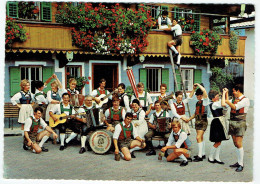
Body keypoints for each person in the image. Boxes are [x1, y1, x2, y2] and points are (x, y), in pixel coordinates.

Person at [224, 84, 250, 172]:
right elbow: (225, 104)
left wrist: (227, 101)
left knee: (239, 143)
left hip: (240, 123)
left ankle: (241, 164)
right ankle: (239, 162)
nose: (233, 93)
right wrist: (225, 93)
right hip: (232, 122)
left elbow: (235, 107)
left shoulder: (245, 100)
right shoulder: (234, 99)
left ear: (238, 90)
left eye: (234, 91)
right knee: (235, 143)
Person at [187, 83, 209, 162]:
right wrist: (189, 119)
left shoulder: (205, 101)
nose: (197, 97)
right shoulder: (198, 103)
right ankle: (202, 153)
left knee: (198, 137)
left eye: (198, 95)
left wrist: (198, 85)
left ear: (201, 95)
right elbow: (195, 113)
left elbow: (204, 90)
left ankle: (199, 156)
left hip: (203, 121)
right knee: (201, 138)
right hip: (197, 120)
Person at [11, 79, 35, 150]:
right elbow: (13, 99)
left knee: (30, 123)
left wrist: (31, 105)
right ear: (23, 86)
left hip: (29, 108)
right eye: (26, 85)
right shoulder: (20, 94)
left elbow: (34, 100)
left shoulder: (30, 93)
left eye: (29, 85)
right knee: (23, 124)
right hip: (23, 108)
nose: (28, 86)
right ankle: (24, 141)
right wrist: (19, 106)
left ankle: (29, 139)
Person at [207, 89, 230, 165]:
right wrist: (223, 93)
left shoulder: (217, 102)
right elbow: (224, 104)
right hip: (217, 122)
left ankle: (217, 157)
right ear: (213, 98)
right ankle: (210, 157)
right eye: (217, 96)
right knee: (217, 141)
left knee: (220, 141)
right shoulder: (214, 104)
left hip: (221, 121)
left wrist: (226, 93)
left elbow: (226, 102)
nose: (218, 97)